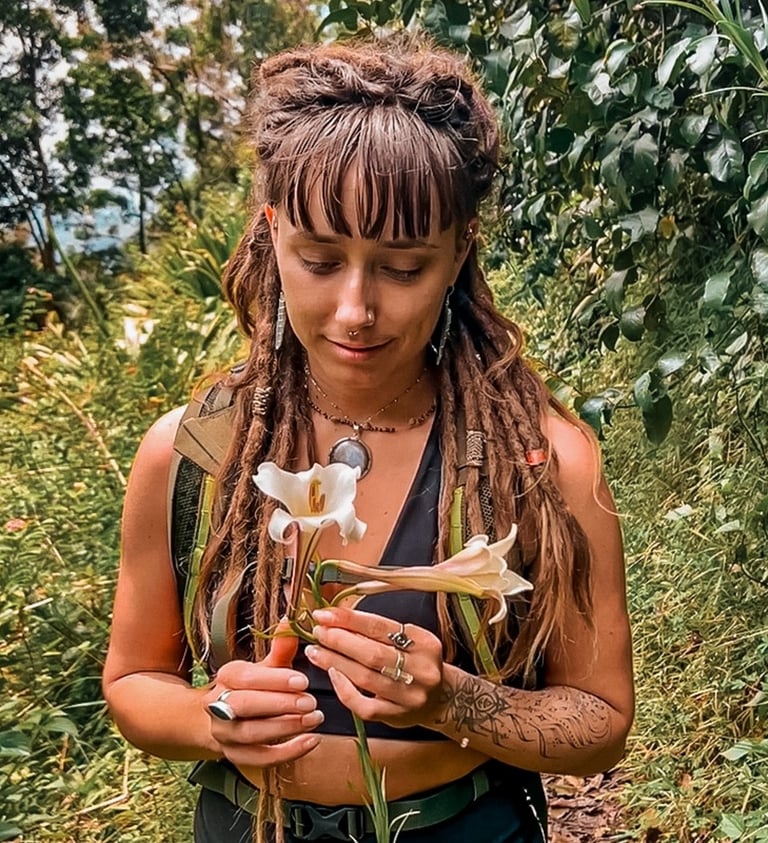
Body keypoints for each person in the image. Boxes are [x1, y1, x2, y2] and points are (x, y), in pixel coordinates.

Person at [102, 33, 634, 843]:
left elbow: (601, 720)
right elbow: (135, 680)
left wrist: (453, 699)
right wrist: (213, 718)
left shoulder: (545, 459)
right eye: (318, 258)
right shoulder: (193, 451)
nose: (355, 310)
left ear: (459, 250)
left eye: (403, 266)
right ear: (272, 233)